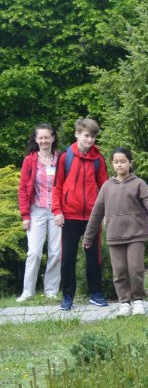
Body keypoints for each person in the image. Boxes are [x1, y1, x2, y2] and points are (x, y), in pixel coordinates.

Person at [83, 148, 148, 316]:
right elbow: (96, 213)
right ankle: (124, 302)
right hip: (115, 235)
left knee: (135, 269)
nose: (119, 164)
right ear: (112, 164)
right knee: (119, 271)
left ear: (130, 163)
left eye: (123, 161)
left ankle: (138, 301)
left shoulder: (139, 183)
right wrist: (88, 236)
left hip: (136, 234)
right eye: (116, 162)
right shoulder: (107, 186)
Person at [52, 118, 109, 311]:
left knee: (94, 256)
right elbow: (57, 186)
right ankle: (67, 296)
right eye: (86, 135)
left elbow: (105, 187)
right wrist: (57, 211)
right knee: (68, 257)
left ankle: (96, 293)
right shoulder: (64, 157)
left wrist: (106, 213)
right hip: (69, 216)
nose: (90, 140)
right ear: (77, 134)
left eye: (93, 136)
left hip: (93, 217)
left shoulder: (98, 159)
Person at [17, 124, 62, 302]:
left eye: (47, 137)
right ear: (36, 140)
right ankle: (28, 292)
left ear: (53, 138)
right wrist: (25, 215)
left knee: (56, 252)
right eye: (40, 138)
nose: (44, 141)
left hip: (57, 211)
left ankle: (51, 290)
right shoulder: (30, 160)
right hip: (36, 211)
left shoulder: (61, 158)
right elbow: (22, 189)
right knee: (34, 252)